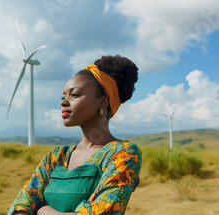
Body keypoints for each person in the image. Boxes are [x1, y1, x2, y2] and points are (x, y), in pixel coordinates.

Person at [8, 55, 141, 215]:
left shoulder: (123, 154)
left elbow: (102, 212)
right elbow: (22, 204)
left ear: (103, 102)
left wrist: (42, 210)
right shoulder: (55, 158)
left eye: (75, 95)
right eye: (63, 96)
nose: (64, 102)